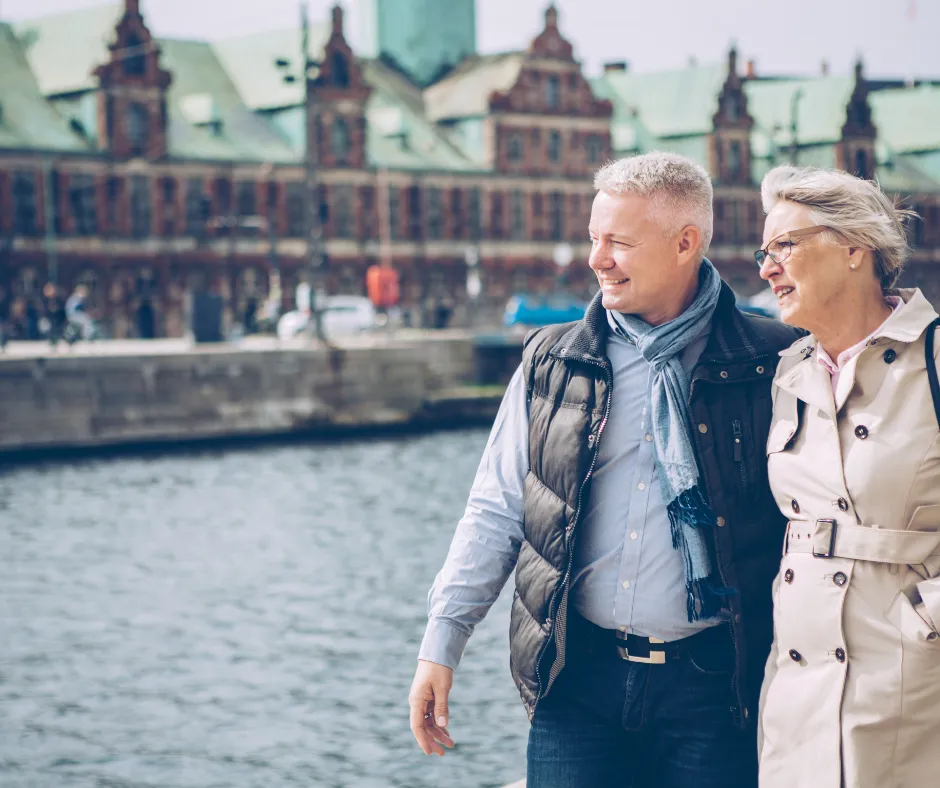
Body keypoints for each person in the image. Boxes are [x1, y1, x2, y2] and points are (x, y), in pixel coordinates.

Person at [409, 152, 801, 788]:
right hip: (577, 680)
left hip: (718, 687)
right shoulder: (554, 360)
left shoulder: (775, 362)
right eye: (595, 238)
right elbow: (497, 509)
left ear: (685, 243)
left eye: (618, 241)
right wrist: (441, 641)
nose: (596, 259)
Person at [755, 166, 940, 788]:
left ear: (854, 248)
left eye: (785, 245)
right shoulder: (789, 373)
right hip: (797, 699)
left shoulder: (935, 359)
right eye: (764, 250)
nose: (766, 267)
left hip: (914, 689)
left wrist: (927, 621)